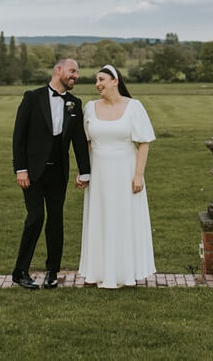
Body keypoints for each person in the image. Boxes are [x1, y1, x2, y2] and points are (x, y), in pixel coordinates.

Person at [11, 58, 91, 289]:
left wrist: (84, 172)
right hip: (33, 172)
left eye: (77, 72)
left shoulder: (75, 104)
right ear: (58, 70)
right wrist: (21, 169)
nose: (75, 75)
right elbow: (19, 137)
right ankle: (21, 271)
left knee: (56, 220)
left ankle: (52, 272)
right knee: (35, 218)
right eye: (72, 71)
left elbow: (78, 141)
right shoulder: (32, 98)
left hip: (59, 173)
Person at [78, 64, 156, 288]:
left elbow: (143, 142)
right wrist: (83, 173)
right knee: (101, 219)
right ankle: (99, 271)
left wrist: (138, 175)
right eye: (96, 80)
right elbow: (86, 143)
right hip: (100, 172)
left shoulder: (134, 107)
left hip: (126, 170)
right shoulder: (90, 108)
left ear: (115, 81)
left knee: (124, 219)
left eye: (101, 79)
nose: (97, 84)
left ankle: (125, 273)